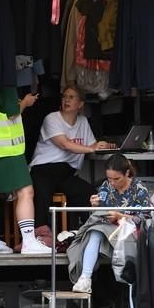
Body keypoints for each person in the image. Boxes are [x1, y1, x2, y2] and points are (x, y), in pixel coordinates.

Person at [67, 154, 151, 308]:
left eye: (117, 179)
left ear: (127, 173)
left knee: (132, 274)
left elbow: (146, 219)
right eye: (109, 178)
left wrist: (121, 216)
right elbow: (100, 214)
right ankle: (85, 278)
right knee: (94, 230)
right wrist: (95, 205)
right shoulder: (106, 186)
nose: (112, 183)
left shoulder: (139, 189)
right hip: (108, 234)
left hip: (130, 234)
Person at [0, 82, 50, 255]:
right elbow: (12, 112)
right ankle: (28, 241)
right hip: (7, 147)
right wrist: (26, 103)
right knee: (26, 192)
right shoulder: (4, 81)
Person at [29, 85, 112, 228]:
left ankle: (88, 231)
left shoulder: (83, 121)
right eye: (64, 97)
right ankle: (39, 235)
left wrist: (104, 146)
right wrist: (92, 148)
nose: (66, 100)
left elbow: (93, 146)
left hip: (66, 172)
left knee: (89, 194)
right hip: (43, 169)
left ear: (80, 104)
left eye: (71, 97)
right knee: (42, 196)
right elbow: (64, 145)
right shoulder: (52, 118)